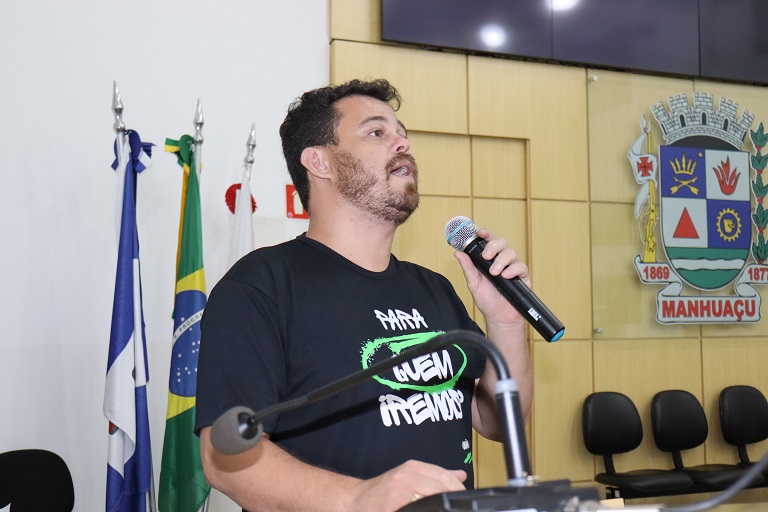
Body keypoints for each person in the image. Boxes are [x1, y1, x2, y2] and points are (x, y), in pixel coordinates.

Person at [195, 78, 533, 512]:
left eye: (402, 133)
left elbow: (498, 422)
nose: (402, 143)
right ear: (319, 162)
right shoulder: (261, 286)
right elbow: (224, 458)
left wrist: (506, 322)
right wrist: (357, 498)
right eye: (377, 132)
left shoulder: (434, 289)